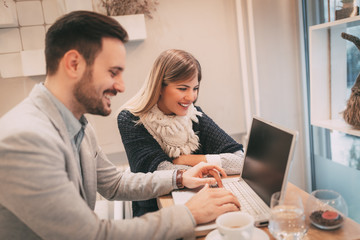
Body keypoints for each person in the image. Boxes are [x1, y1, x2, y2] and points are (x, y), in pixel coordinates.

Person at [0, 11, 240, 240]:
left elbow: (114, 184)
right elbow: (91, 236)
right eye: (113, 72)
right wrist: (189, 213)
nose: (121, 86)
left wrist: (180, 178)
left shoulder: (78, 124)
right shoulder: (24, 139)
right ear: (74, 64)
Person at [118, 49, 244, 217]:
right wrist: (207, 168)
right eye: (183, 88)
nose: (191, 97)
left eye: (195, 88)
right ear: (159, 87)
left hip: (197, 200)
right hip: (155, 213)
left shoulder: (194, 115)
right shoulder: (131, 120)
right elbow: (162, 172)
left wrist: (189, 160)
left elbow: (241, 160)